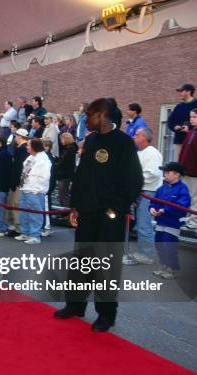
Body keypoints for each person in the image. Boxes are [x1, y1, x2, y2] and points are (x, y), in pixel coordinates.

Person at [54, 97, 143, 332]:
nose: (86, 119)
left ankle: (106, 314)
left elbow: (134, 180)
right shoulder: (91, 140)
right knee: (81, 261)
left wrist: (117, 206)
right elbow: (82, 176)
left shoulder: (124, 143)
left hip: (110, 215)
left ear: (102, 114)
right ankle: (75, 304)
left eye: (89, 115)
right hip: (88, 212)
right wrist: (75, 206)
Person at [150, 162, 191, 279]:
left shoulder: (183, 189)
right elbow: (154, 201)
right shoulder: (162, 188)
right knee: (159, 243)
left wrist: (164, 210)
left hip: (173, 223)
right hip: (160, 222)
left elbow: (182, 205)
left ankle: (171, 269)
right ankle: (163, 266)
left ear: (176, 174)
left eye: (167, 172)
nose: (165, 174)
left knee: (169, 245)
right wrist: (152, 208)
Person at [131, 127, 163, 264]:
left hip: (148, 192)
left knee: (144, 224)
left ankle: (147, 254)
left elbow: (152, 174)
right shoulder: (140, 153)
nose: (134, 136)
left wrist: (135, 179)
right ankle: (141, 251)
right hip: (140, 191)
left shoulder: (152, 153)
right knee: (140, 224)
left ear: (145, 137)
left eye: (137, 135)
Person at [14, 138, 51, 244]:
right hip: (25, 188)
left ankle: (35, 236)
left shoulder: (43, 159)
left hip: (35, 191)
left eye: (28, 145)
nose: (26, 146)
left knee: (35, 214)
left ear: (34, 147)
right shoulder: (31, 157)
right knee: (24, 213)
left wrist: (35, 186)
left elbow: (44, 176)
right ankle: (25, 233)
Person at [168, 83, 197, 161]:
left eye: (181, 91)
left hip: (195, 140)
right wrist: (175, 127)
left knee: (192, 162)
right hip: (179, 140)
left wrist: (189, 128)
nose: (179, 93)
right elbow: (170, 121)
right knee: (178, 164)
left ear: (188, 91)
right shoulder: (178, 107)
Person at [6, 128, 30, 236]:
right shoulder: (22, 149)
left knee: (16, 204)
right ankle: (16, 226)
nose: (15, 138)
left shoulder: (22, 149)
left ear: (20, 137)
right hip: (18, 181)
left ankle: (18, 228)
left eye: (16, 136)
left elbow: (19, 168)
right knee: (14, 203)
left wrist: (15, 182)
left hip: (18, 182)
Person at [0, 137, 13, 236]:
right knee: (0, 208)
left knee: (1, 208)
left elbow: (3, 172)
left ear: (0, 143)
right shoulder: (3, 153)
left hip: (2, 186)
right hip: (1, 185)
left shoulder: (4, 154)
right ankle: (1, 226)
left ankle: (2, 228)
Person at [56, 132, 78, 208]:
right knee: (62, 193)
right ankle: (64, 211)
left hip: (64, 174)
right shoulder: (69, 148)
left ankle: (65, 211)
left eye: (61, 139)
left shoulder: (69, 149)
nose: (61, 141)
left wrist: (56, 164)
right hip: (65, 173)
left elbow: (63, 161)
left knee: (63, 194)